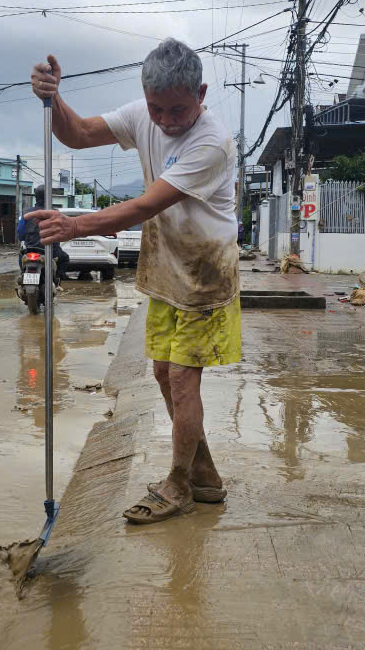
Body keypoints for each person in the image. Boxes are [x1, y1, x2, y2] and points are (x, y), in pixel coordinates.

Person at [26, 38, 241, 525]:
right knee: (165, 375)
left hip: (205, 274)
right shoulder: (144, 114)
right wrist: (53, 98)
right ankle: (204, 475)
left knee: (184, 381)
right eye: (156, 108)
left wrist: (76, 225)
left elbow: (145, 206)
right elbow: (78, 133)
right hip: (165, 267)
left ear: (201, 93)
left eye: (177, 109)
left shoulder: (211, 142)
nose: (165, 120)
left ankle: (180, 483)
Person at [18, 185, 70, 279]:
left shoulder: (26, 212)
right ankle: (56, 280)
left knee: (20, 256)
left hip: (30, 249)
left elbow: (20, 234)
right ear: (49, 197)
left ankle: (22, 275)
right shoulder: (54, 212)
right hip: (51, 251)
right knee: (65, 258)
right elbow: (60, 232)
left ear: (35, 197)